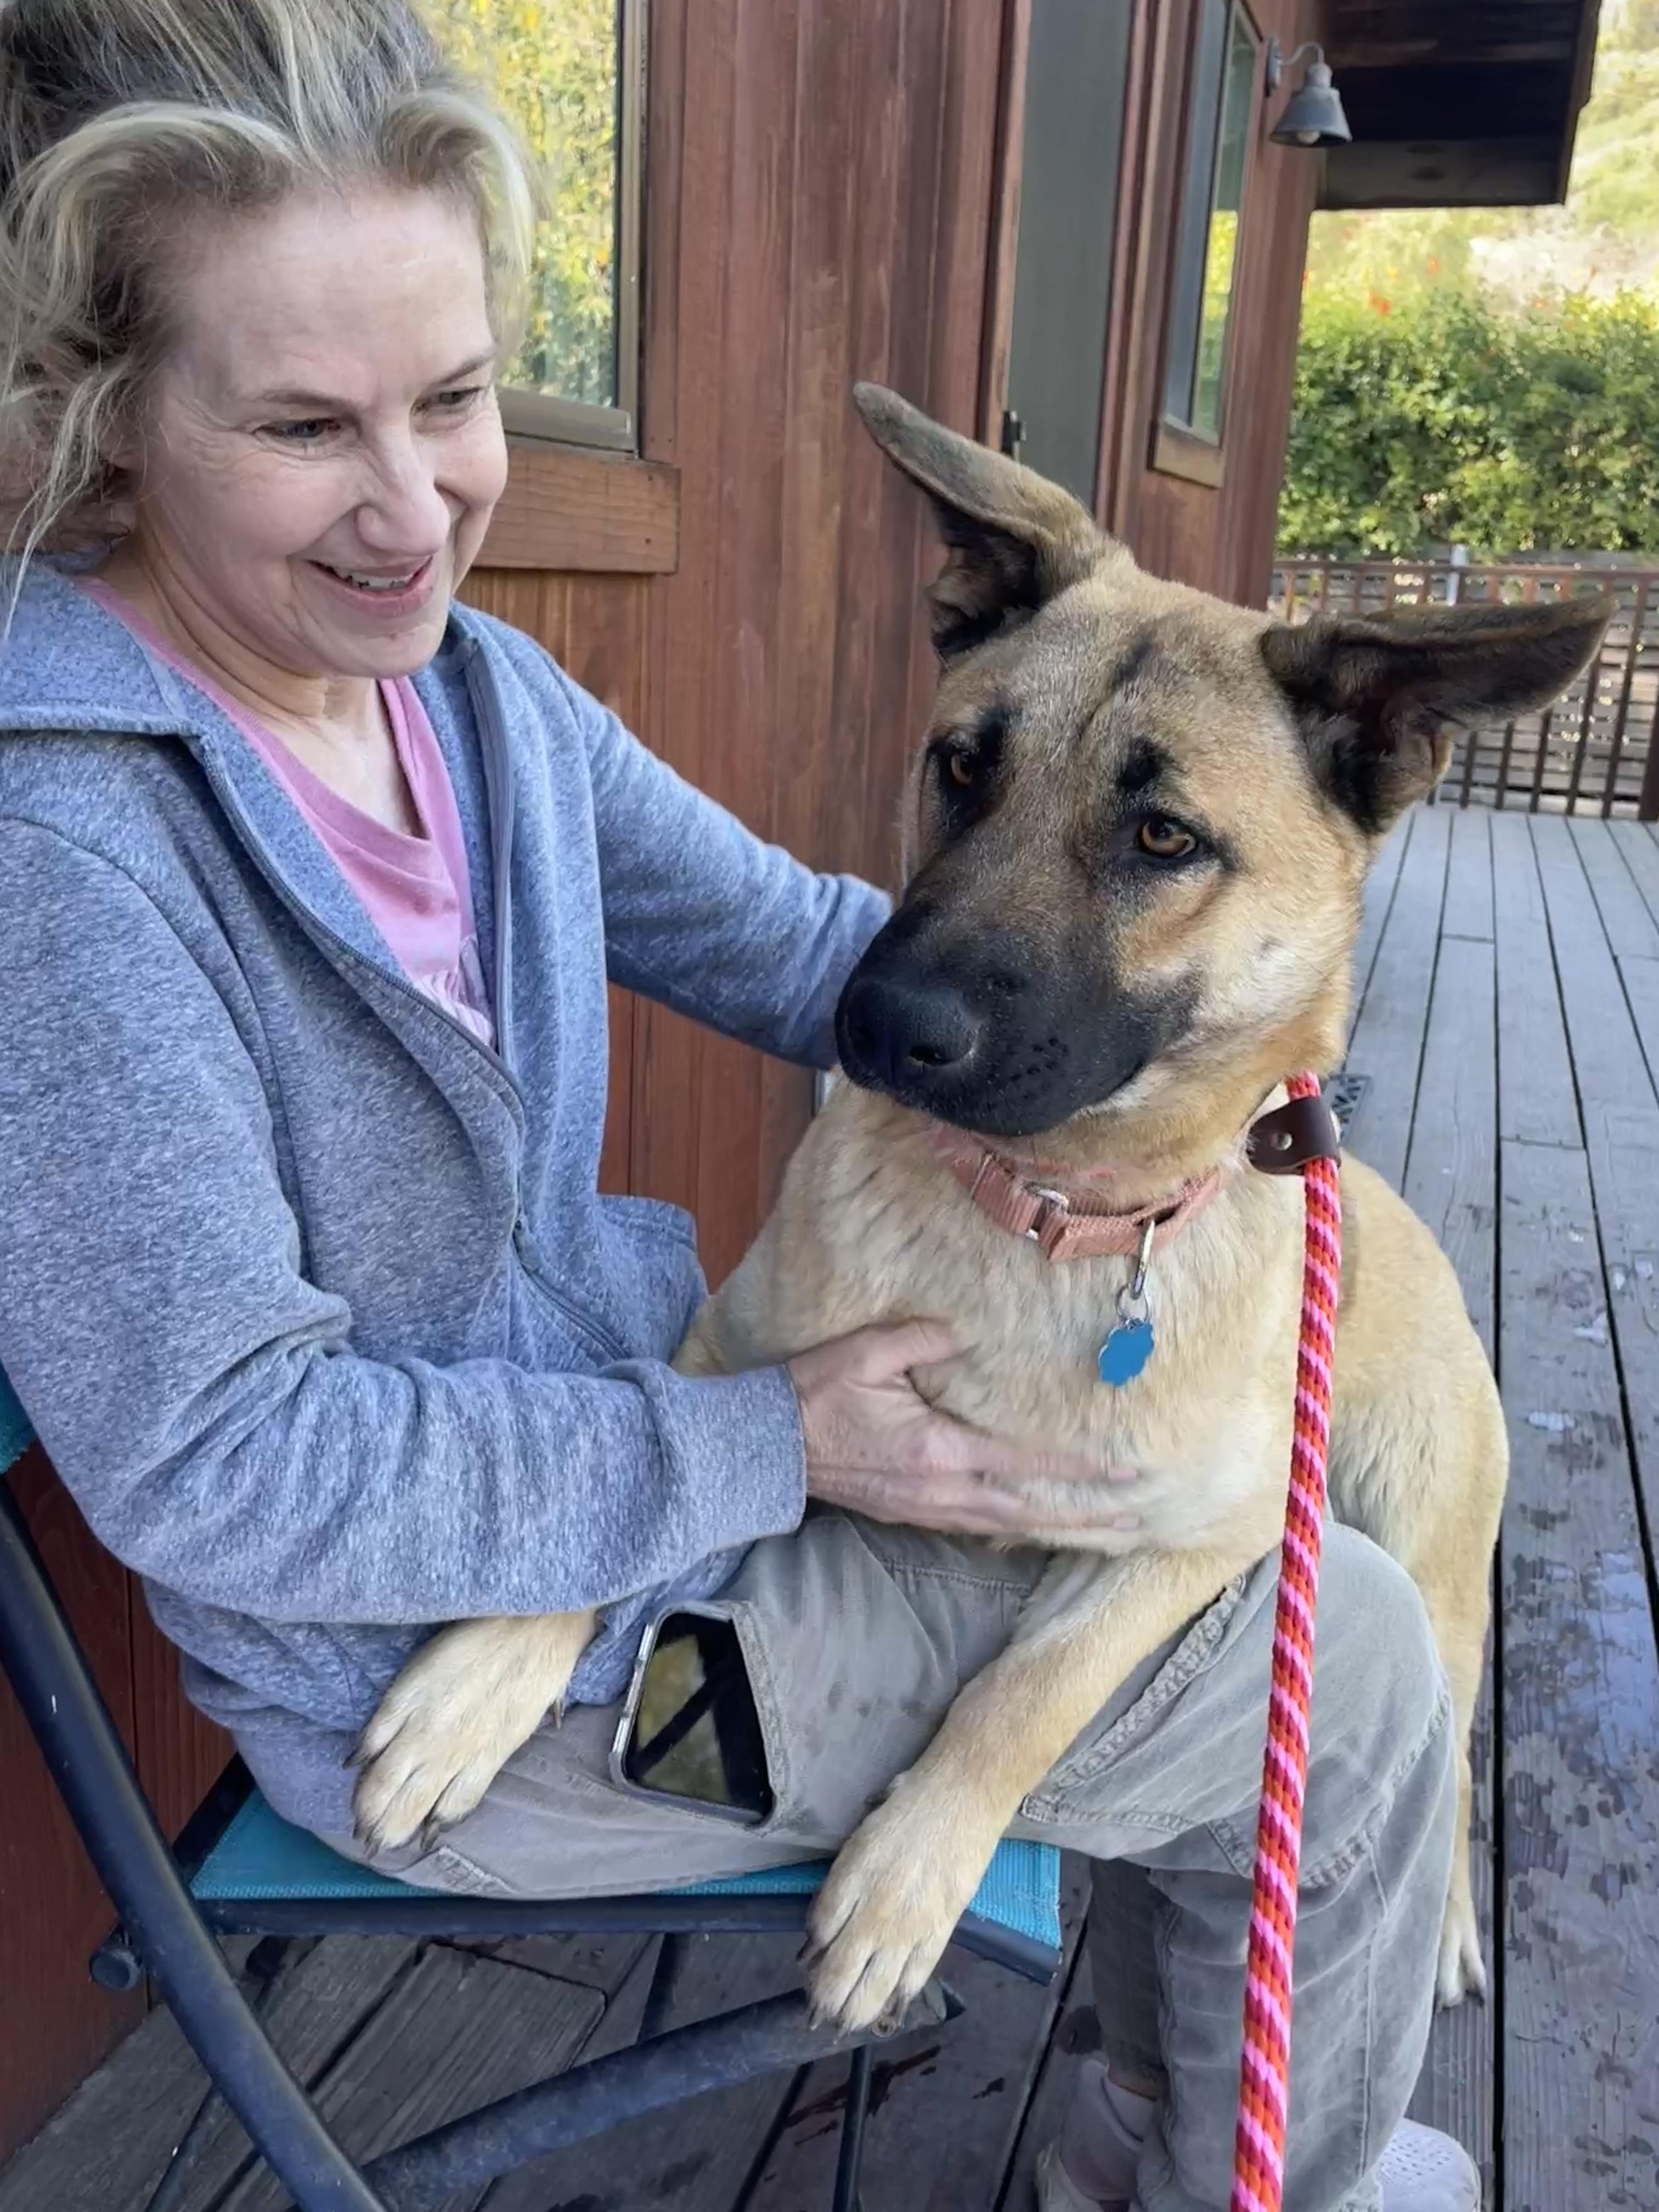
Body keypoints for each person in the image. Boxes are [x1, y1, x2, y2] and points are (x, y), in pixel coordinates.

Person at [0, 7, 1477, 2208]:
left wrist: (1196, 1083)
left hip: (679, 1470)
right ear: (108, 426)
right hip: (478, 1667)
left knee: (1255, 1540)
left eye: (460, 395)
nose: (416, 508)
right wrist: (761, 1444)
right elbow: (220, 1468)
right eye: (309, 423)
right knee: (1346, 1666)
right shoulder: (70, 859)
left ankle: (1164, 2125)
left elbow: (822, 957)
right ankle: (1240, 2172)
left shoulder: (470, 696)